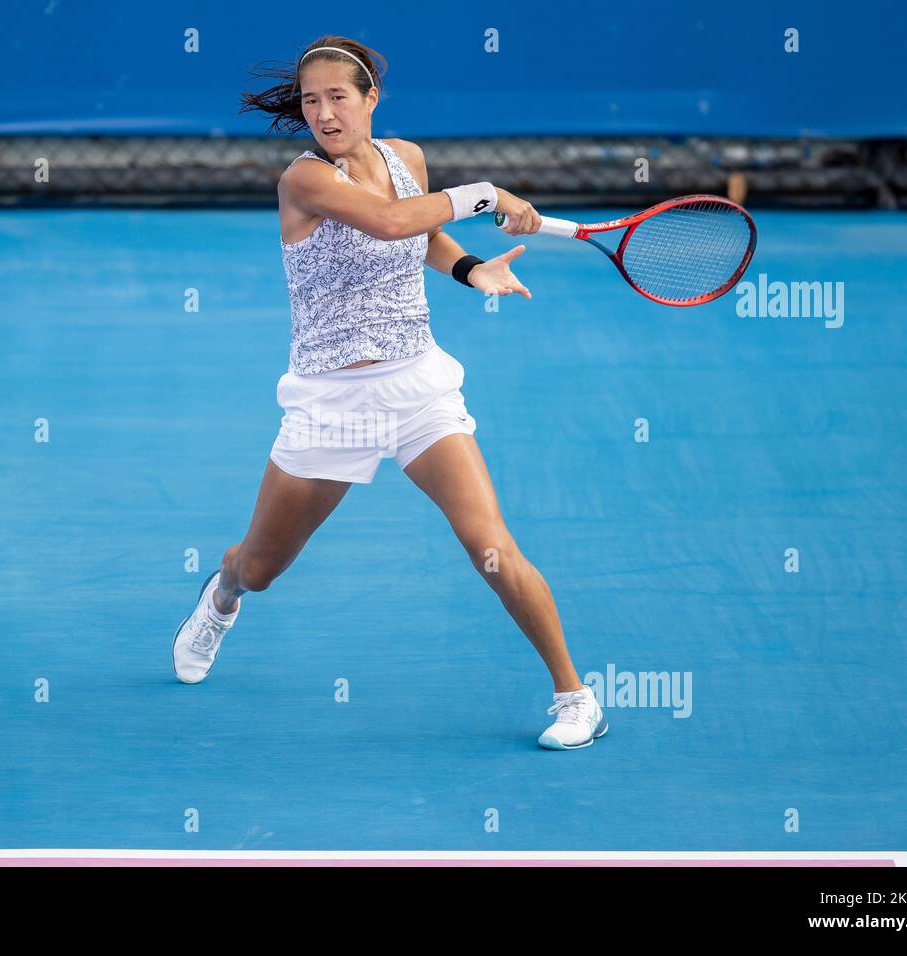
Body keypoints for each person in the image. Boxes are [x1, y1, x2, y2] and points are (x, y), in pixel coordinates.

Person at [172, 36, 607, 750]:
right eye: (311, 101)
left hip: (417, 388)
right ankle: (222, 598)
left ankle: (574, 696)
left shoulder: (407, 160)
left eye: (338, 97)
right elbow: (386, 223)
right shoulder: (304, 181)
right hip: (329, 404)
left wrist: (470, 270)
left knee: (490, 545)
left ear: (371, 99)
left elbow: (421, 234)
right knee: (262, 565)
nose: (323, 113)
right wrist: (489, 194)